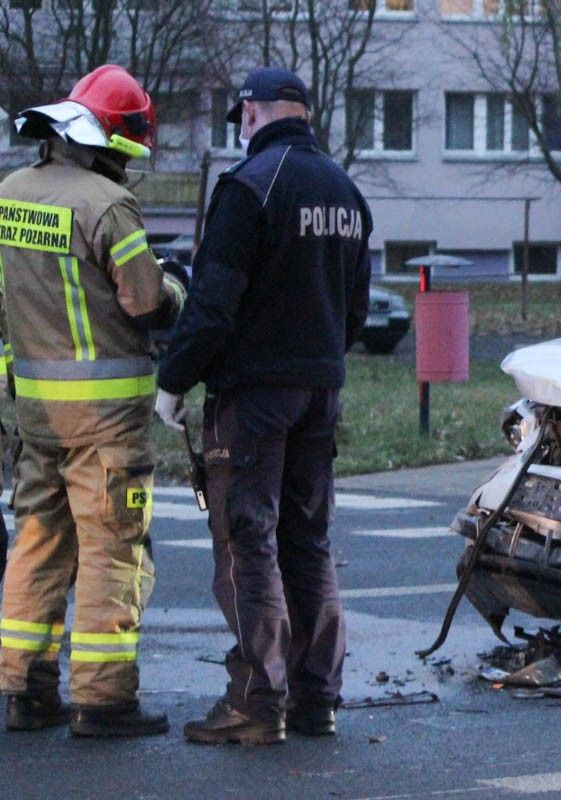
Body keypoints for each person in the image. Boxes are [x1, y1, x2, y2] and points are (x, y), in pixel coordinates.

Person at [155, 67, 371, 745]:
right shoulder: (345, 191)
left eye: (241, 116)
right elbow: (356, 312)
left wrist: (174, 381)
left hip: (253, 398)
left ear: (252, 113)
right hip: (320, 391)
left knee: (248, 541)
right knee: (307, 540)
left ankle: (255, 700)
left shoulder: (249, 186)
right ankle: (316, 697)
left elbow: (213, 303)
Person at [0, 65, 185, 737]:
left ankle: (25, 691)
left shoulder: (9, 194)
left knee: (38, 543)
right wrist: (178, 288)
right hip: (105, 423)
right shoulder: (107, 206)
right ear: (111, 143)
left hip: (35, 414)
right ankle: (103, 700)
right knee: (112, 549)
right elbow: (145, 300)